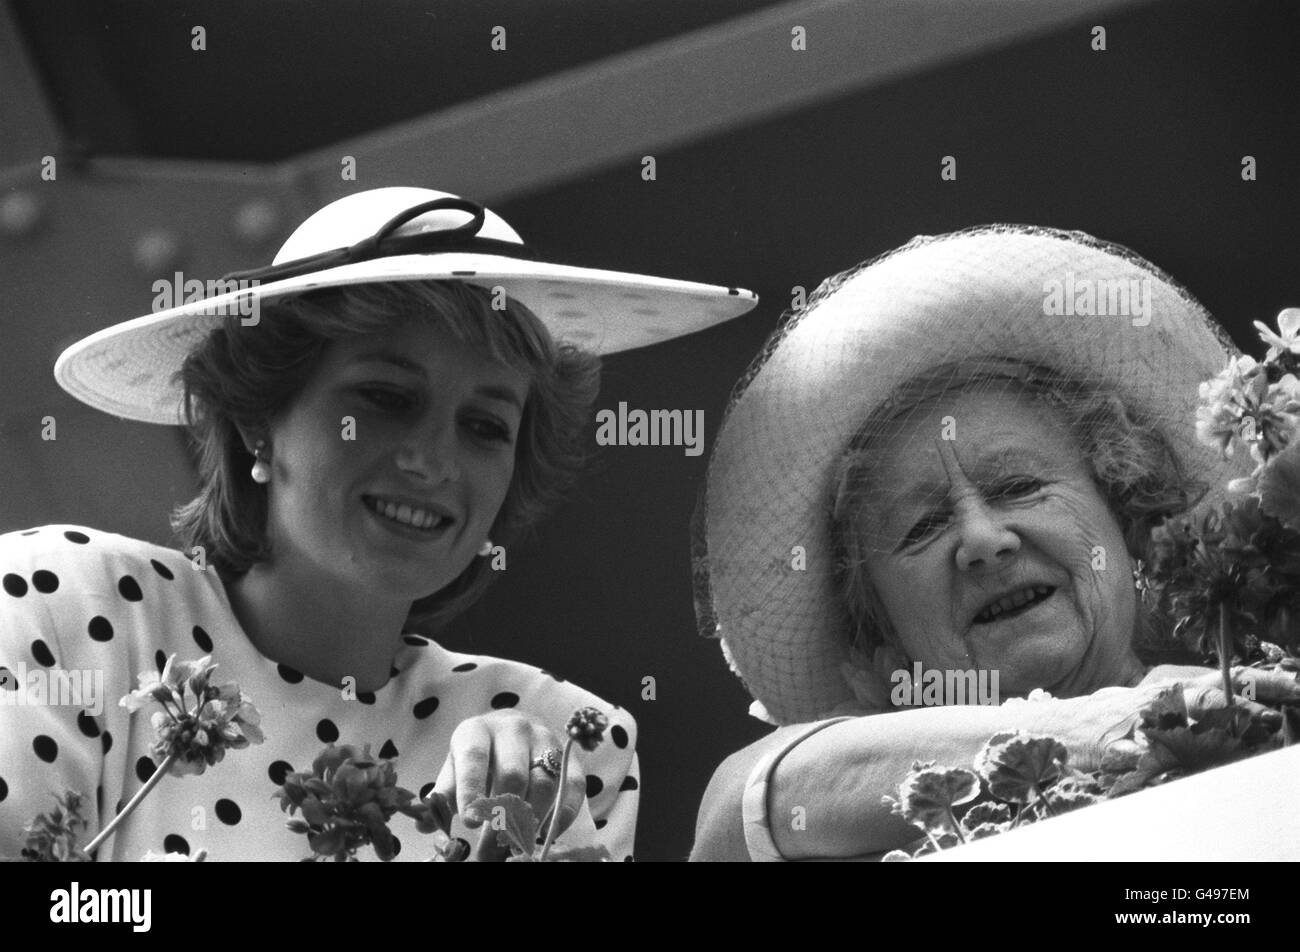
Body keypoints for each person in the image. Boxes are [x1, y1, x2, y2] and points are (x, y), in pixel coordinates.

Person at [0, 186, 757, 861]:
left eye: (485, 426)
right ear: (258, 420)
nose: (434, 462)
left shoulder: (564, 738)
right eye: (386, 399)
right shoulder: (70, 606)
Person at [687, 225, 1300, 861]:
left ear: (1129, 521)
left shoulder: (1256, 713)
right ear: (880, 640)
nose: (982, 540)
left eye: (1018, 485)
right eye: (923, 527)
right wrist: (1067, 730)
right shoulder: (861, 823)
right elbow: (734, 809)